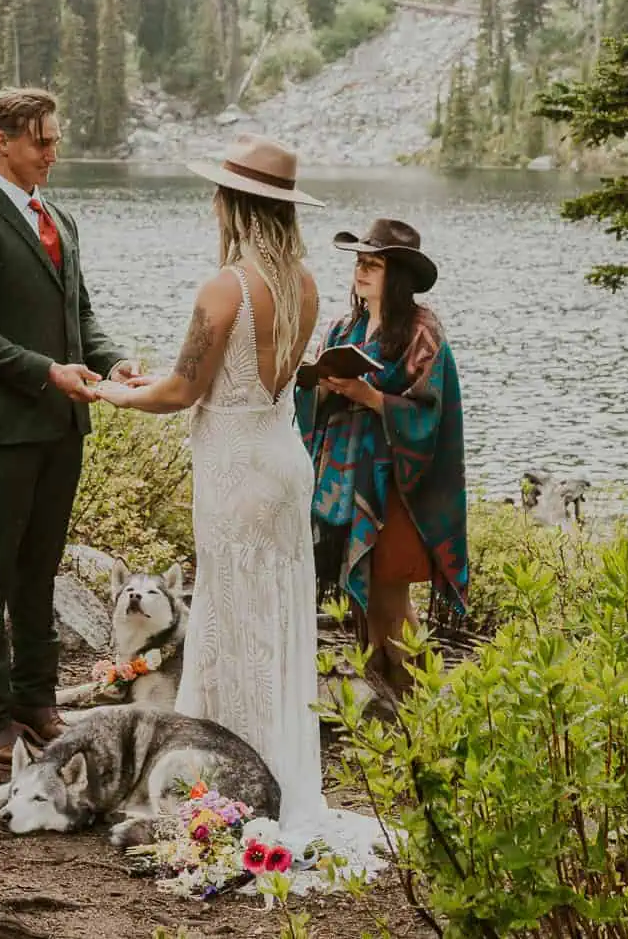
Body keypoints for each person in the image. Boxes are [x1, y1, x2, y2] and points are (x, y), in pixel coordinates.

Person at [94, 136, 382, 866]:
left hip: (234, 470)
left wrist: (111, 390)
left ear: (235, 204)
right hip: (284, 461)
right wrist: (148, 373)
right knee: (276, 617)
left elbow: (186, 391)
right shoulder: (306, 283)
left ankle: (221, 786)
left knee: (228, 617)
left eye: (220, 191)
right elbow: (241, 376)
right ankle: (280, 779)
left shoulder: (224, 285)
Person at [0, 87, 141, 770]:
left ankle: (36, 700)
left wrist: (112, 359)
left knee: (41, 569)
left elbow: (80, 311)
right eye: (41, 140)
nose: (53, 152)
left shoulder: (62, 220)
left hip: (62, 426)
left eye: (55, 138)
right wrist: (46, 370)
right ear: (2, 140)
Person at [299, 218, 467, 696]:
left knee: (392, 604)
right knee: (366, 612)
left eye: (374, 264)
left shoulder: (422, 332)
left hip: (394, 489)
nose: (362, 271)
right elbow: (308, 401)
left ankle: (427, 708)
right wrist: (325, 389)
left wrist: (370, 396)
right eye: (360, 262)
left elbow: (432, 414)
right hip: (345, 484)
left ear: (399, 276)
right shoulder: (340, 327)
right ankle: (390, 714)